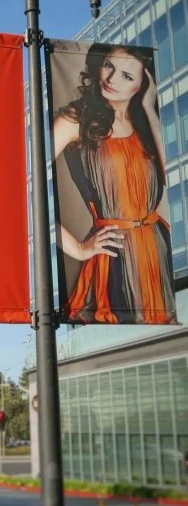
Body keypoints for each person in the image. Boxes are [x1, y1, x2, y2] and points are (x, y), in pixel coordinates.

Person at [53, 43, 176, 325]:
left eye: (127, 76)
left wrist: (149, 110)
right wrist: (77, 248)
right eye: (109, 66)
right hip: (114, 255)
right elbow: (24, 182)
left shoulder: (144, 120)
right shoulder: (75, 119)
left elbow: (170, 179)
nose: (111, 79)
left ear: (142, 85)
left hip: (157, 248)